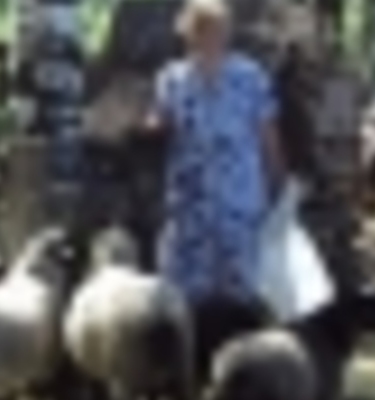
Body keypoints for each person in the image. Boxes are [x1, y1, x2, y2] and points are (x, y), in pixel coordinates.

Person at [145, 0, 284, 383]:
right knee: (183, 299)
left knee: (240, 298)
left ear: (226, 34)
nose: (208, 38)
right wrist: (147, 123)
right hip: (189, 206)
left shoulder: (250, 77)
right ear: (187, 34)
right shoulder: (172, 78)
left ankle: (240, 378)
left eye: (216, 30)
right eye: (200, 30)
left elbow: (268, 135)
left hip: (238, 204)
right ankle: (187, 377)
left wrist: (277, 185)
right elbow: (162, 120)